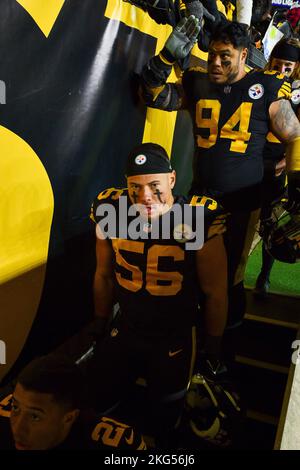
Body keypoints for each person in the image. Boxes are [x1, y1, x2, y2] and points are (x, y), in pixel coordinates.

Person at [139, 18, 300, 354]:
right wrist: (165, 59)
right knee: (194, 275)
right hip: (202, 199)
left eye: (225, 57)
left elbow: (295, 135)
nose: (215, 62)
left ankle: (223, 352)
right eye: (212, 54)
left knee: (230, 279)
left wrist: (295, 180)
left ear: (244, 56)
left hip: (243, 201)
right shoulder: (198, 83)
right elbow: (154, 96)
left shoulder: (266, 88)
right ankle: (194, 344)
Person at [88, 142, 228, 447]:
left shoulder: (196, 217)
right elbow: (102, 274)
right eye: (135, 186)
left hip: (174, 338)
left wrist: (214, 343)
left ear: (172, 180)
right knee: (102, 407)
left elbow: (215, 291)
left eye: (155, 185)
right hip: (125, 328)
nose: (145, 196)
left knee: (164, 418)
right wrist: (100, 320)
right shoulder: (109, 210)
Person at [0, 354, 146, 450]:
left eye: (34, 417)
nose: (18, 429)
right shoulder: (3, 419)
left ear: (69, 418)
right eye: (16, 407)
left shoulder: (116, 445)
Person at [255, 38, 300, 297]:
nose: (281, 69)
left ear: (295, 67)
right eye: (278, 63)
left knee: (268, 222)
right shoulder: (260, 82)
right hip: (250, 160)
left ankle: (265, 274)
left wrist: (282, 164)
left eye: (288, 65)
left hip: (276, 163)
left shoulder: (297, 91)